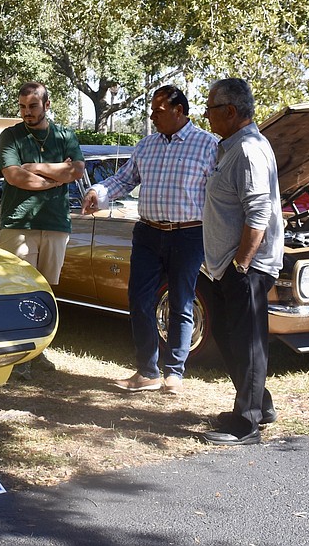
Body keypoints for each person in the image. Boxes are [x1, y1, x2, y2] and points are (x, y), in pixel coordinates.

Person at [81, 85, 217, 395]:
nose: (152, 116)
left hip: (188, 234)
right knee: (139, 300)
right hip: (147, 233)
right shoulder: (146, 146)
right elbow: (124, 179)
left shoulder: (208, 146)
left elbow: (219, 195)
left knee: (182, 300)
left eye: (158, 110)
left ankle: (175, 373)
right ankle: (147, 371)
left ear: (178, 111)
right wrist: (97, 192)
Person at [200, 77, 284, 446]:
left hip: (245, 266)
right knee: (226, 334)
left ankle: (246, 424)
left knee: (247, 341)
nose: (206, 116)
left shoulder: (249, 150)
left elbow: (258, 213)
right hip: (224, 266)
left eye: (210, 109)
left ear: (230, 111)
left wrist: (240, 265)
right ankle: (258, 405)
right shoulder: (231, 147)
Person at [0, 82, 86, 286]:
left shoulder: (65, 136)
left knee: (47, 291)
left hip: (56, 223)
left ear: (47, 105)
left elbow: (77, 171)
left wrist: (34, 167)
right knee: (17, 288)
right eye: (22, 106)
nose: (26, 112)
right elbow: (15, 176)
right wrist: (56, 179)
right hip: (19, 224)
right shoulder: (10, 136)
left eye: (33, 106)